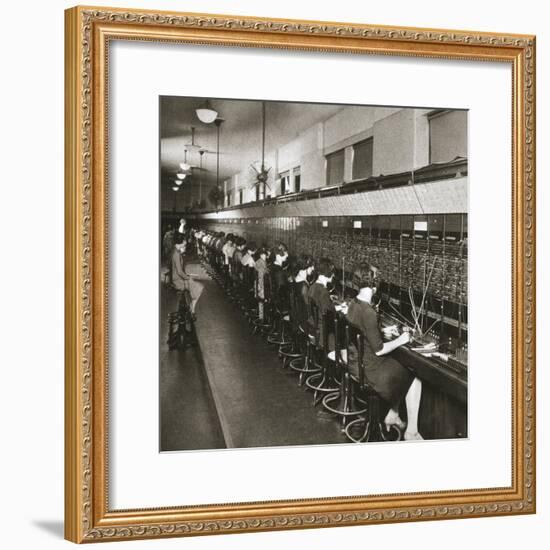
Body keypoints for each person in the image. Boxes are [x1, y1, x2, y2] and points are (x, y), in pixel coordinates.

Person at [345, 263, 423, 441]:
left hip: (355, 363)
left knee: (398, 366)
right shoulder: (368, 312)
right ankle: (412, 431)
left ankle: (393, 414)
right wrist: (401, 340)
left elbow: (365, 334)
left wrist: (378, 333)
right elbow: (379, 350)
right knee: (414, 375)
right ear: (374, 284)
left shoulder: (354, 303)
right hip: (370, 370)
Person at [171, 233, 204, 318]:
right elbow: (179, 272)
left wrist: (187, 275)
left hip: (178, 277)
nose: (185, 242)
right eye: (184, 241)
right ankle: (192, 308)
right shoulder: (176, 254)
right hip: (177, 280)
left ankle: (191, 307)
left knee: (196, 284)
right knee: (200, 287)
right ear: (180, 242)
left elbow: (179, 270)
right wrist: (188, 277)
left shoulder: (175, 251)